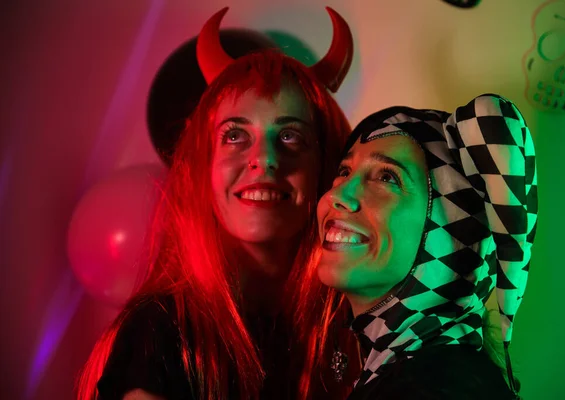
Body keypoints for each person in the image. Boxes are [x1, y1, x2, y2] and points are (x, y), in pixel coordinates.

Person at [76, 7, 354, 400]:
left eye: (291, 136)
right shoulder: (160, 330)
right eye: (235, 136)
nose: (265, 158)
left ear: (325, 166)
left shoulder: (351, 321)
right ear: (204, 166)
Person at [310, 94, 538, 399]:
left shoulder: (438, 389)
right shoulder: (419, 369)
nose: (335, 196)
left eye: (387, 177)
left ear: (453, 234)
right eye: (344, 171)